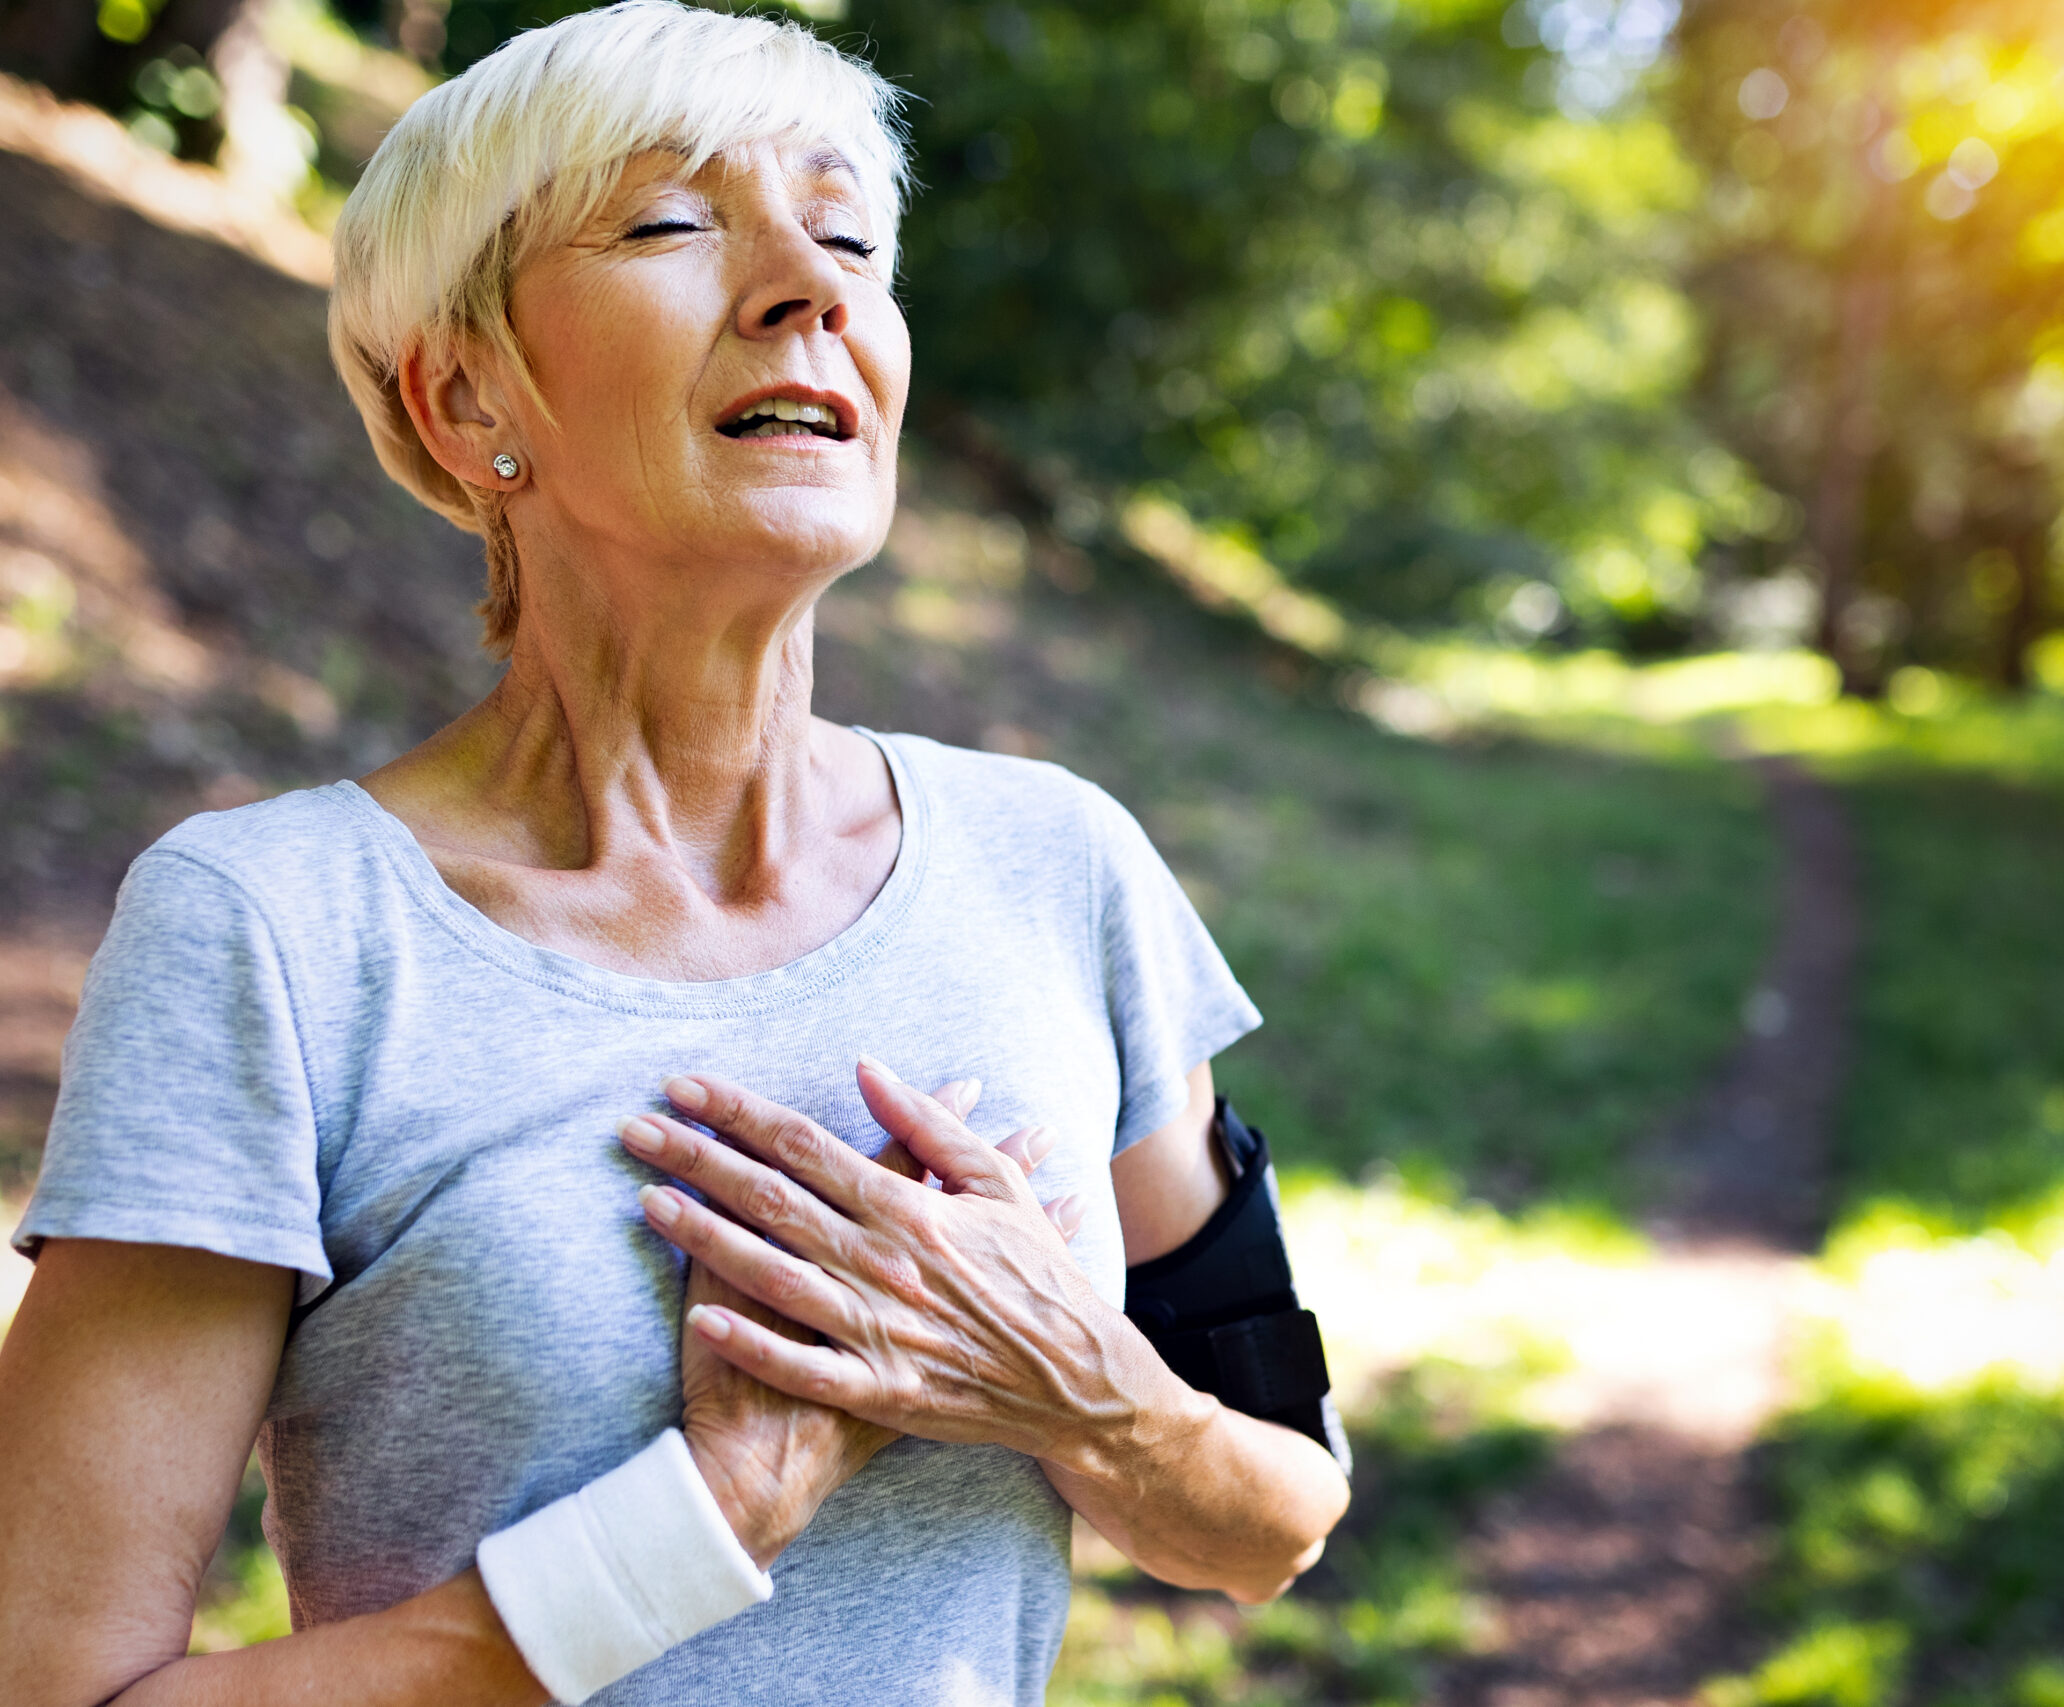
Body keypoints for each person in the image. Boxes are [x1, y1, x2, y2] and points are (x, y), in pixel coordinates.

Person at [0, 4, 1351, 1702]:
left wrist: (1084, 1394)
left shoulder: (1059, 866)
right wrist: (693, 1525)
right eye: (670, 225)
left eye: (852, 235)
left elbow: (1274, 1515)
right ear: (465, 391)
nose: (814, 286)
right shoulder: (274, 933)